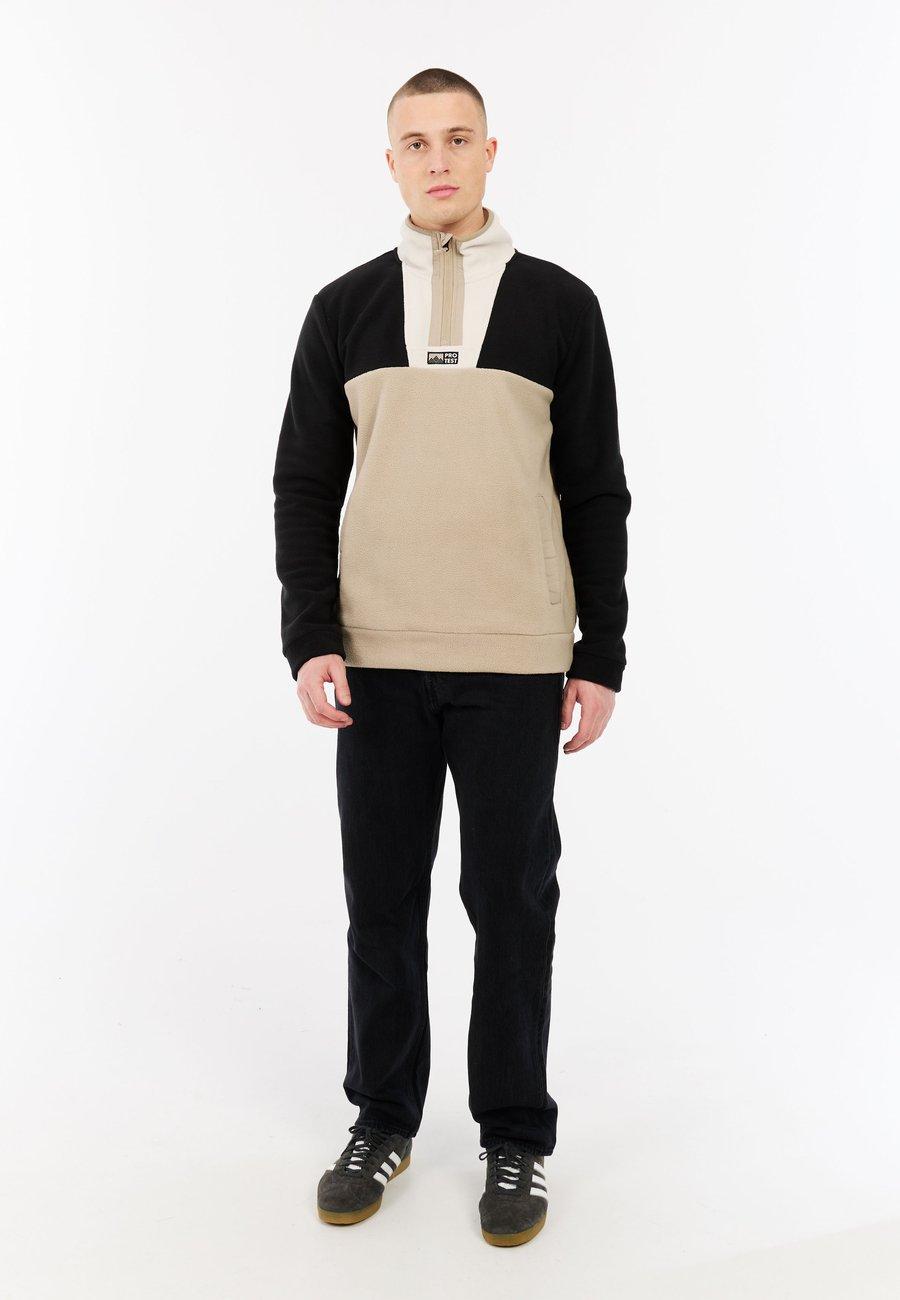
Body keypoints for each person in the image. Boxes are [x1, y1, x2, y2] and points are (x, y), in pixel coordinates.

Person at [272, 66, 630, 1247]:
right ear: (391, 163)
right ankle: (382, 1116)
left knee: (511, 905)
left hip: (517, 657)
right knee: (382, 901)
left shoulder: (562, 306)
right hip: (376, 656)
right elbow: (305, 482)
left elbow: (596, 488)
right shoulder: (342, 308)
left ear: (490, 153)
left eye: (458, 138)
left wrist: (601, 649)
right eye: (416, 143)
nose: (438, 160)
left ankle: (516, 1135)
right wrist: (312, 635)